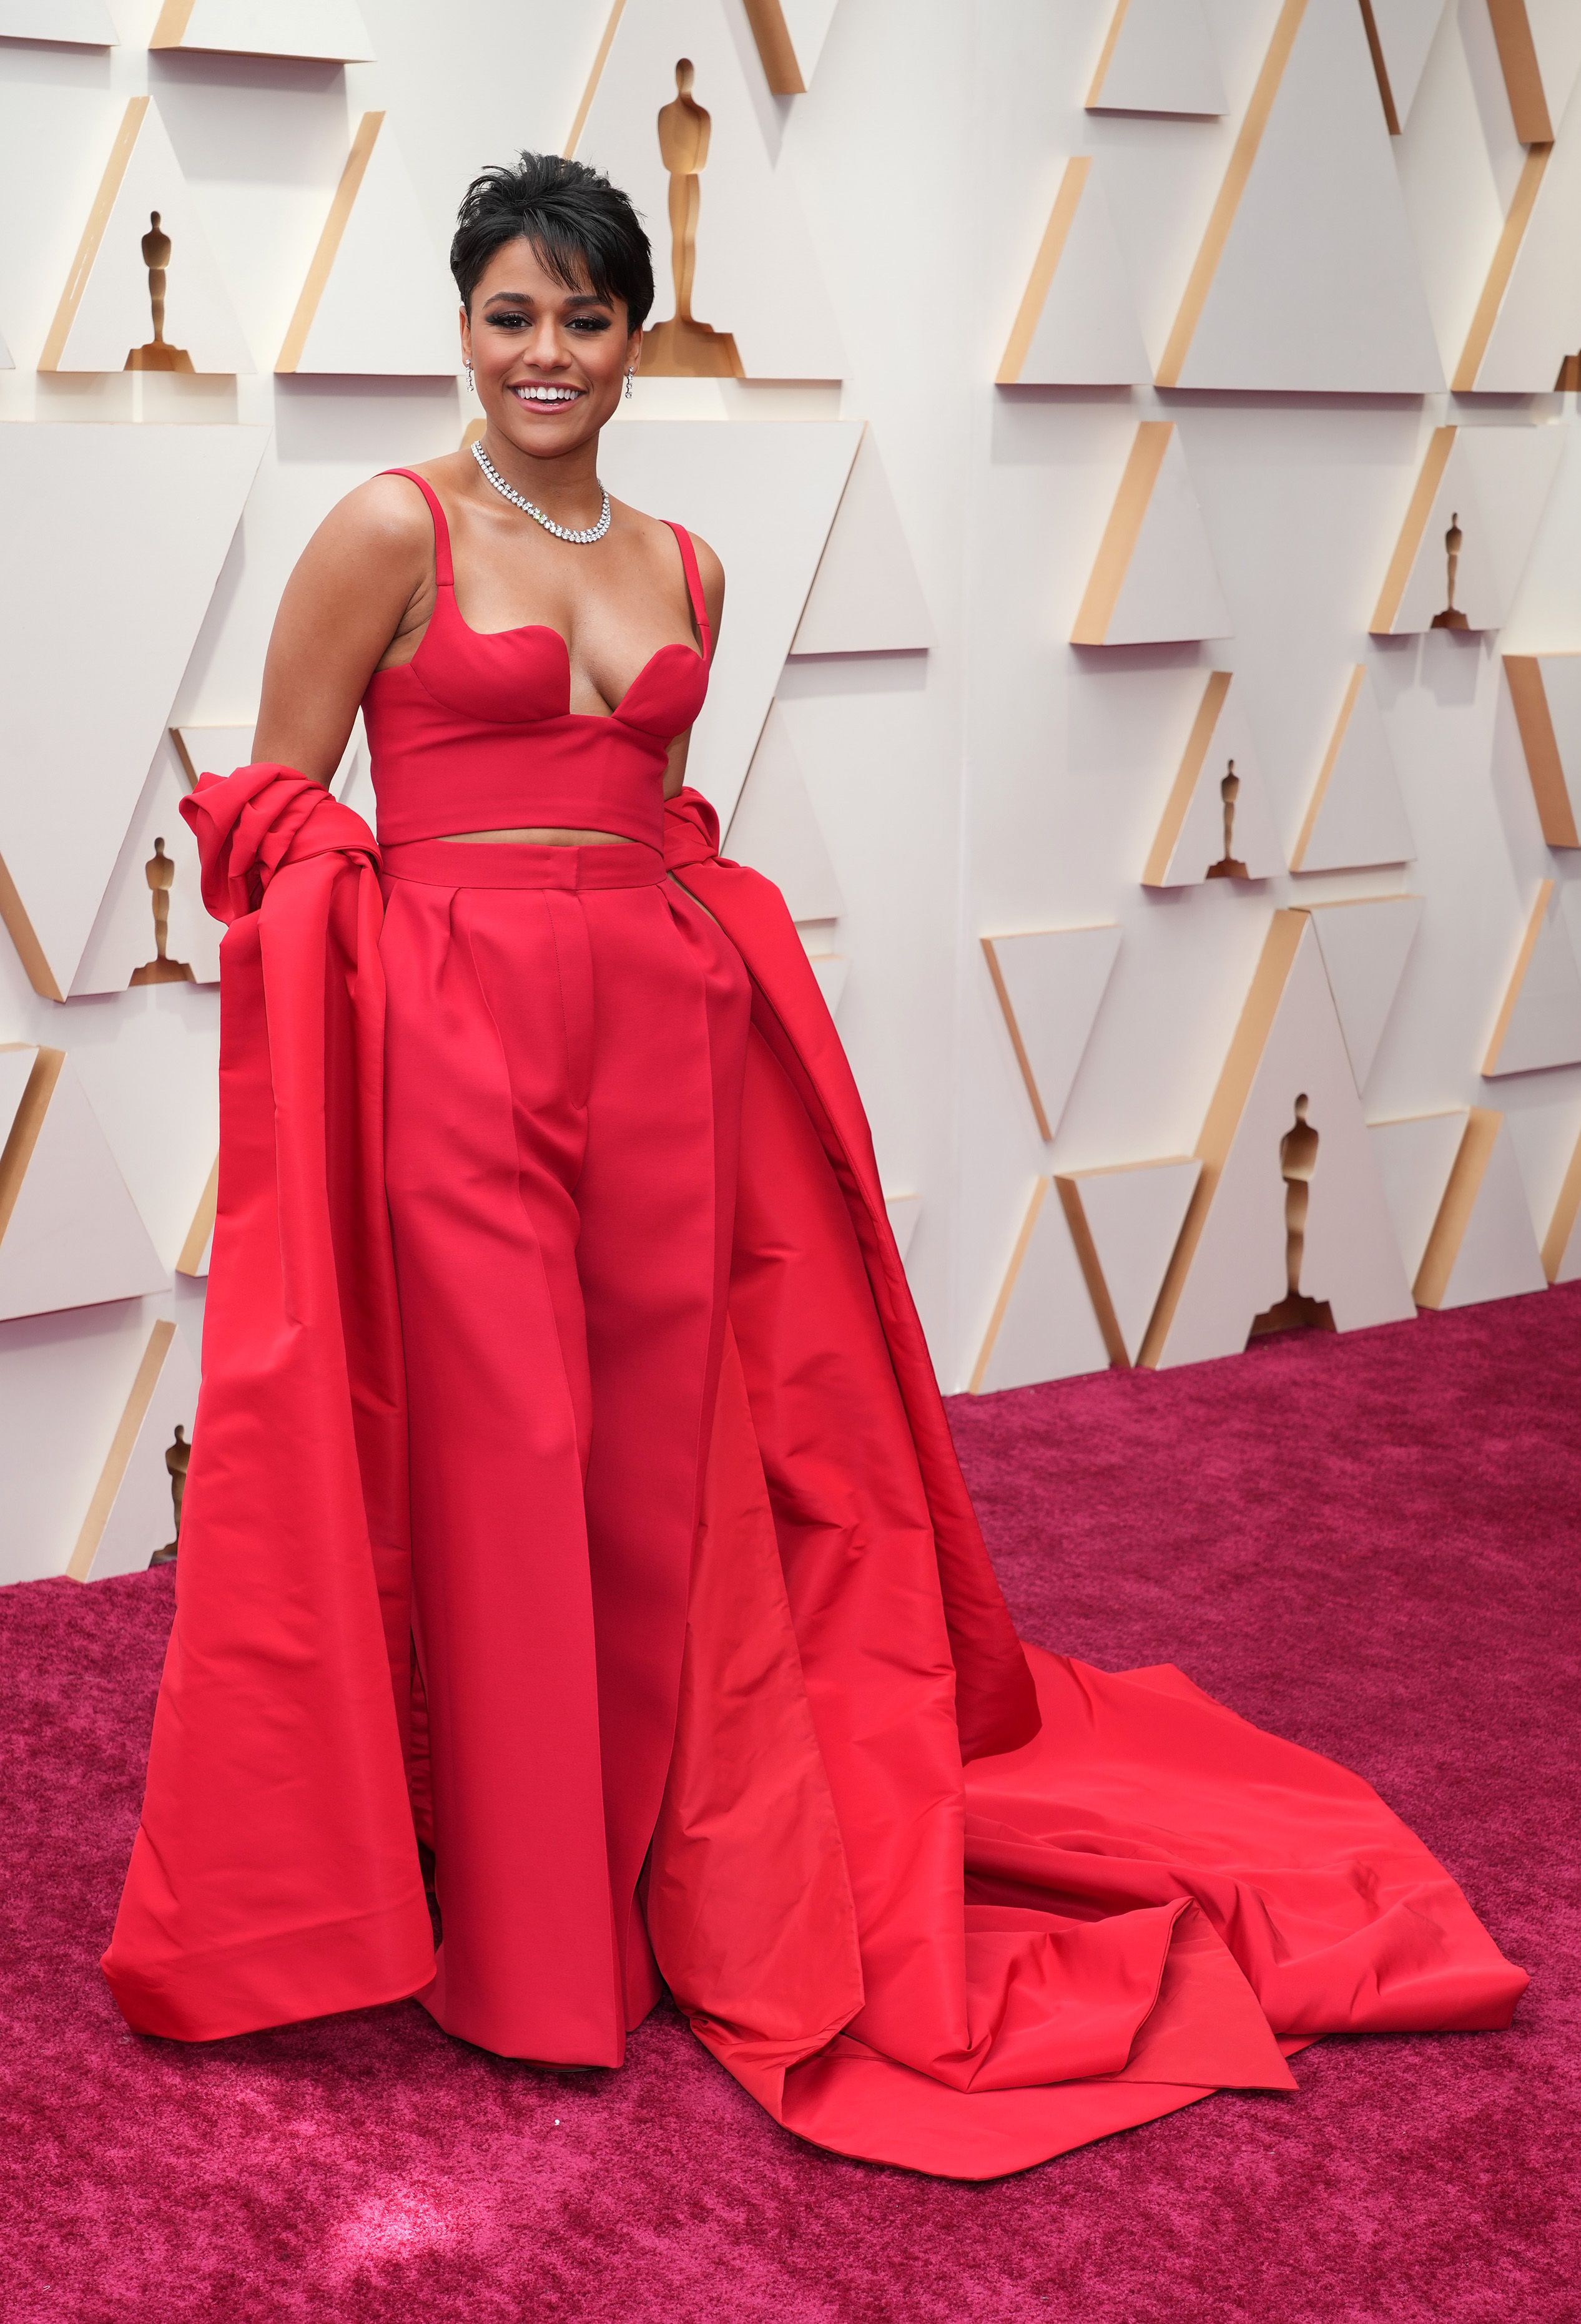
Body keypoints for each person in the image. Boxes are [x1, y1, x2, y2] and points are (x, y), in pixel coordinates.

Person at [103, 154, 1524, 2180]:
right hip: (457, 1064)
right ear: (461, 325)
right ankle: (530, 1942)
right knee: (509, 1467)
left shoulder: (686, 566)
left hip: (665, 1065)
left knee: (659, 1480)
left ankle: (679, 1877)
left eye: (583, 318)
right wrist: (389, 953)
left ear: (630, 334)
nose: (546, 354)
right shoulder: (387, 529)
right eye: (511, 315)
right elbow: (267, 806)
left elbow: (652, 815)